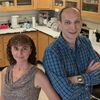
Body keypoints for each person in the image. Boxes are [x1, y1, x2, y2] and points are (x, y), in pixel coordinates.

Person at [43, 7, 100, 100]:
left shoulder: (85, 42)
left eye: (77, 22)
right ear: (60, 25)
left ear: (81, 23)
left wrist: (76, 79)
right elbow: (67, 93)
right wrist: (87, 74)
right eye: (67, 22)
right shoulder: (52, 52)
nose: (73, 27)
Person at [0, 34, 60, 100]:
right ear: (10, 50)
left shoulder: (37, 75)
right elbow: (2, 97)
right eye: (16, 48)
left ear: (30, 50)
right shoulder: (5, 72)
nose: (20, 53)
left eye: (24, 48)